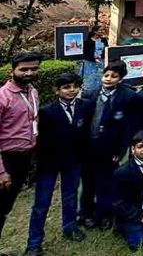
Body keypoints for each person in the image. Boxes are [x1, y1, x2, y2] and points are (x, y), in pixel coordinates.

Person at [26, 72, 88, 256]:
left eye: (75, 87)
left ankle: (70, 227)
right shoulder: (46, 111)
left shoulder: (85, 106)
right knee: (42, 203)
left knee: (70, 196)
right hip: (49, 163)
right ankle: (34, 242)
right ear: (57, 90)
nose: (71, 90)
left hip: (73, 161)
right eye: (66, 87)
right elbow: (40, 140)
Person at [81, 61, 138, 230]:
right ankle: (86, 213)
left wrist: (121, 150)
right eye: (106, 75)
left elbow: (128, 127)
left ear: (120, 79)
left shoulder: (128, 97)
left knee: (105, 182)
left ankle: (104, 214)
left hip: (111, 147)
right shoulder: (90, 94)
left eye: (114, 76)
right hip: (89, 146)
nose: (108, 79)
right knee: (88, 182)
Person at [0, 52, 43, 240]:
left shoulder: (32, 92)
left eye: (34, 69)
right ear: (12, 71)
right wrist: (1, 171)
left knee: (6, 208)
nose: (29, 73)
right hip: (6, 159)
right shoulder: (3, 97)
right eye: (24, 69)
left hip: (24, 158)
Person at [81, 25, 107, 93]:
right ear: (95, 31)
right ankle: (89, 91)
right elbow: (86, 53)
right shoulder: (88, 41)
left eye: (103, 30)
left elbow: (106, 50)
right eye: (100, 30)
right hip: (90, 63)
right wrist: (93, 58)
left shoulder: (104, 40)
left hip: (101, 62)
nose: (102, 31)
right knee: (91, 78)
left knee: (100, 76)